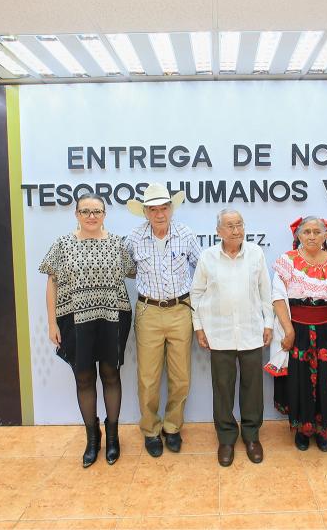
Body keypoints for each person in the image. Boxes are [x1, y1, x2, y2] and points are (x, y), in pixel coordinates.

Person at [40, 193, 135, 468]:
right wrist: (51, 322)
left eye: (96, 211)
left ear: (105, 214)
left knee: (111, 374)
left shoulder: (117, 244)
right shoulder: (62, 244)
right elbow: (51, 284)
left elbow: (133, 271)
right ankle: (93, 439)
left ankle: (113, 437)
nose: (91, 216)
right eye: (85, 211)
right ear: (76, 215)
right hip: (74, 319)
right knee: (83, 377)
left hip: (112, 317)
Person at [191, 209, 273, 466]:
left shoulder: (256, 254)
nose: (236, 230)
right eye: (230, 226)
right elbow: (196, 294)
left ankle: (251, 436)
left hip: (251, 330)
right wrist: (198, 327)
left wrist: (268, 323)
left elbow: (265, 292)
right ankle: (226, 438)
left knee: (253, 388)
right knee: (223, 388)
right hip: (219, 332)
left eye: (239, 224)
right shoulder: (207, 257)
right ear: (219, 231)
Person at [125, 183, 201, 457]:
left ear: (171, 209)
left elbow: (201, 268)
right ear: (145, 212)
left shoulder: (186, 234)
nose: (159, 214)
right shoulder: (134, 238)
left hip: (181, 309)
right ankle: (150, 430)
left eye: (164, 208)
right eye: (153, 209)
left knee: (181, 376)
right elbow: (128, 269)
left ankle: (173, 427)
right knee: (148, 377)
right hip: (148, 312)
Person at [272, 216, 327, 452]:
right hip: (298, 331)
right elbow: (278, 297)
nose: (312, 236)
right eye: (307, 232)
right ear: (299, 235)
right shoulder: (287, 261)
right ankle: (302, 430)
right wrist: (288, 330)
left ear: (326, 235)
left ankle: (323, 430)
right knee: (300, 380)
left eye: (317, 232)